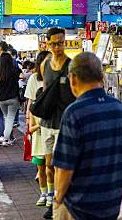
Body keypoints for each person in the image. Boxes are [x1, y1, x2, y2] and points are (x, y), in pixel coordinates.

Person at [52, 52, 122, 219]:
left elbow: (65, 168)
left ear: (73, 79)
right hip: (111, 205)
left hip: (78, 208)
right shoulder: (121, 110)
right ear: (101, 77)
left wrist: (58, 199)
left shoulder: (74, 113)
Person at [40, 28, 76, 219]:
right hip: (47, 123)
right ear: (47, 44)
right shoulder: (45, 64)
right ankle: (54, 198)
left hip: (65, 125)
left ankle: (62, 199)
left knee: (63, 165)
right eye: (53, 43)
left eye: (60, 43)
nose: (57, 47)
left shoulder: (72, 66)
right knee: (48, 165)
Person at [25, 51, 50, 207]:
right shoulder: (34, 79)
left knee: (51, 165)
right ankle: (44, 192)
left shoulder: (59, 78)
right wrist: (29, 123)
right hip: (38, 127)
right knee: (41, 164)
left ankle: (52, 193)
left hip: (53, 125)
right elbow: (30, 103)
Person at [0, 53, 22, 145]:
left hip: (2, 99)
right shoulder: (15, 70)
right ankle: (6, 139)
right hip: (13, 98)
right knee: (10, 118)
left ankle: (8, 138)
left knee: (6, 117)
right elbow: (23, 76)